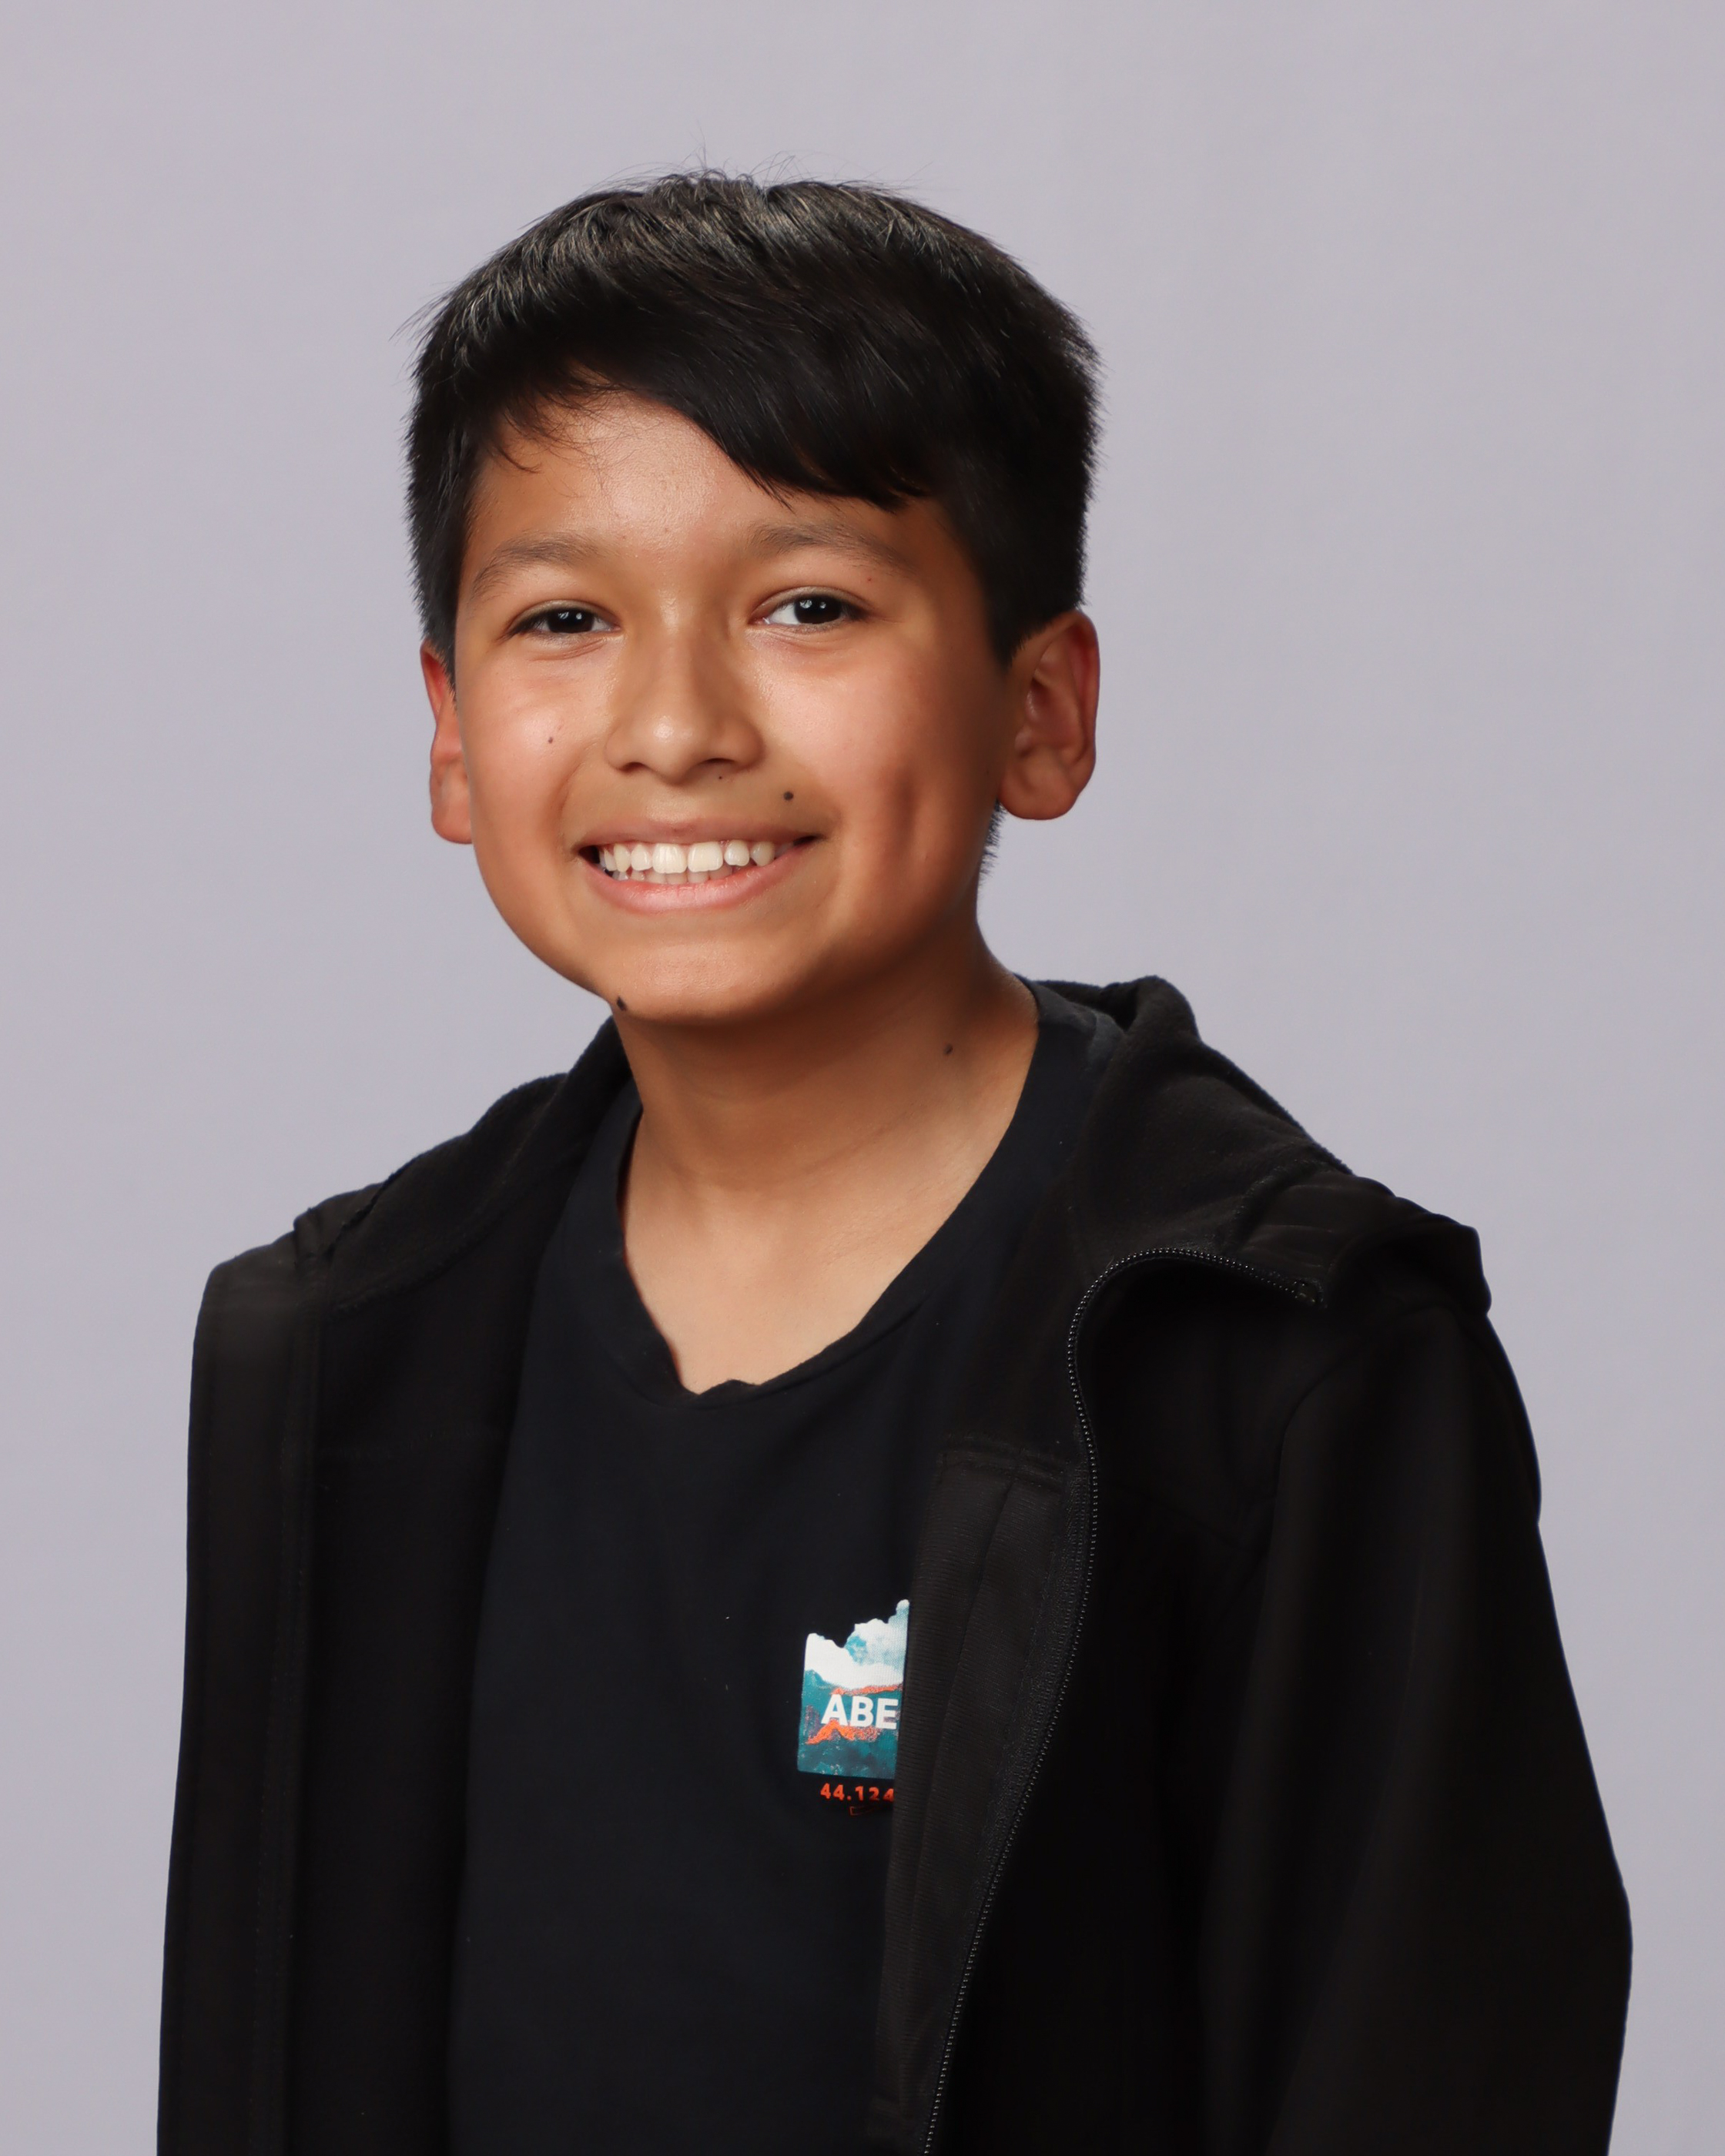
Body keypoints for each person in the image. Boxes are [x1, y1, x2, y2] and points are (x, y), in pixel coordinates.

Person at [156, 173, 1630, 2156]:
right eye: (565, 619)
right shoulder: (340, 1347)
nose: (674, 724)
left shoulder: (1280, 1364)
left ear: (1041, 708)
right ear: (449, 731)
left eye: (809, 607)